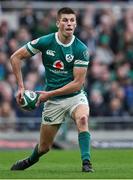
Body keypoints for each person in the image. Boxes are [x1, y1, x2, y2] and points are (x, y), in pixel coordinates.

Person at [10, 7, 94, 173]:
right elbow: (15, 57)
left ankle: (87, 163)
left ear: (75, 24)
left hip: (75, 97)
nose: (69, 23)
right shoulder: (46, 41)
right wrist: (21, 87)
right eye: (65, 20)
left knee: (82, 118)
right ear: (58, 23)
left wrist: (48, 94)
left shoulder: (81, 49)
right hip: (53, 102)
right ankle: (29, 160)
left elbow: (77, 84)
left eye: (72, 20)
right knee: (44, 147)